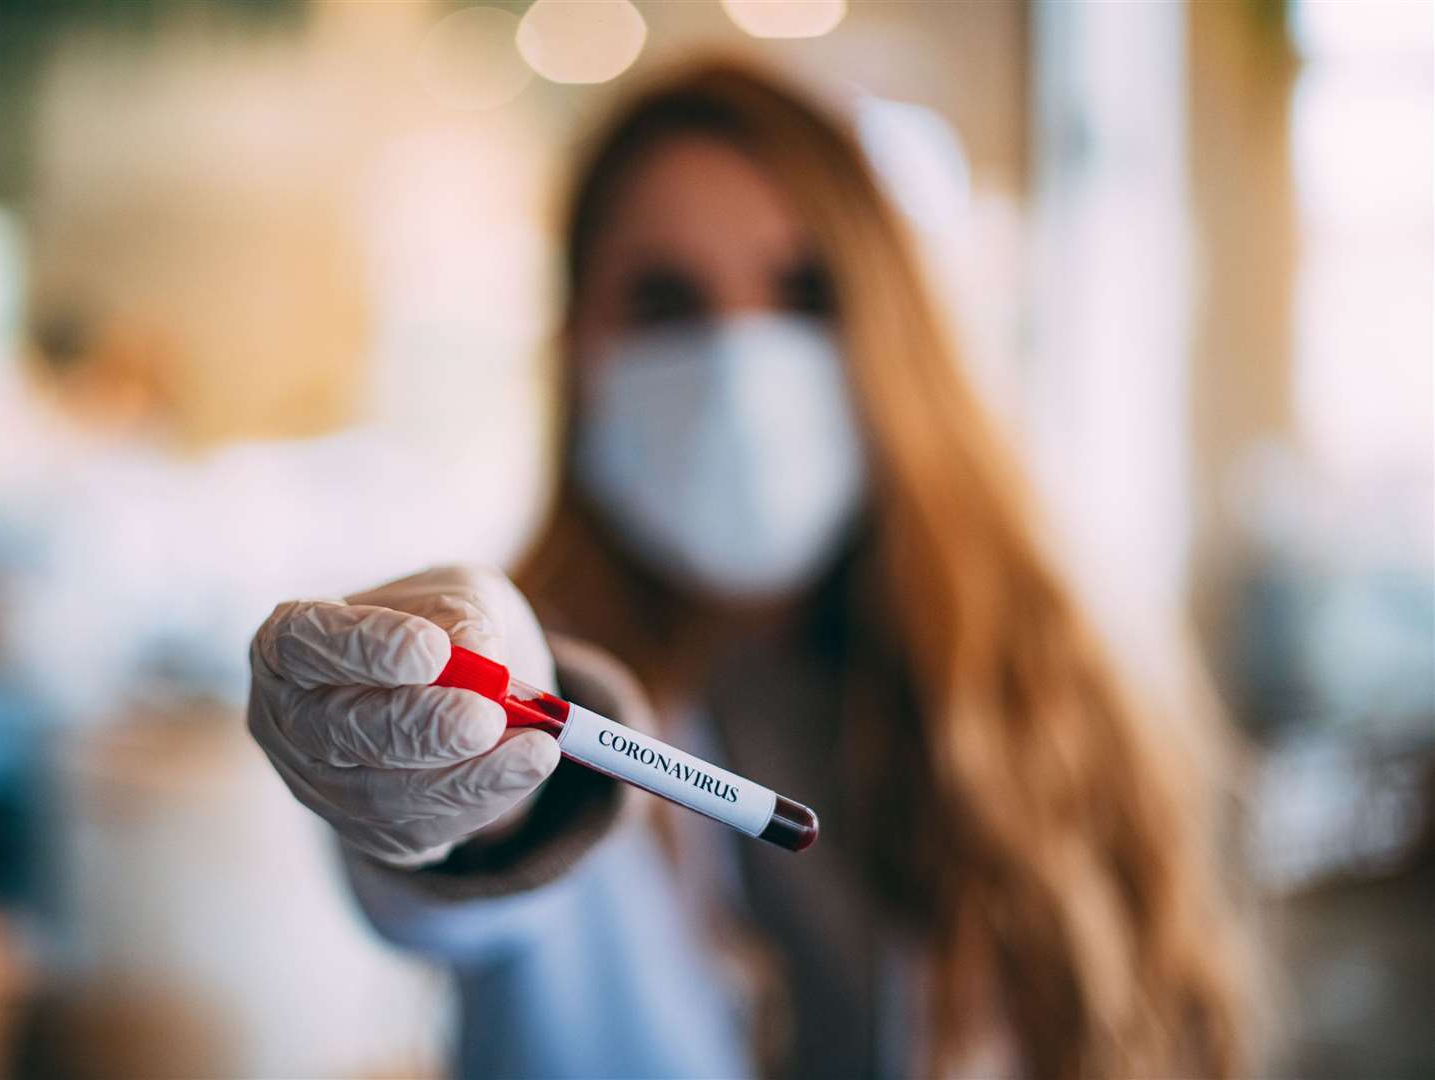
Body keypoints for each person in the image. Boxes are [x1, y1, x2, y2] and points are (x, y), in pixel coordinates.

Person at [248, 60, 1250, 1079]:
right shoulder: (527, 671)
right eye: (665, 302)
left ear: (896, 331)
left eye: (805, 293)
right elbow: (473, 874)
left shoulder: (1057, 686)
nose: (739, 358)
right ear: (576, 354)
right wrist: (457, 800)